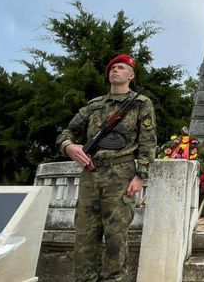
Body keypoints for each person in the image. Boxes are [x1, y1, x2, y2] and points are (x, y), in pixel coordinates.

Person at [56, 55, 157, 281]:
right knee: (84, 236)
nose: (115, 70)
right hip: (91, 174)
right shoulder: (94, 106)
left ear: (131, 75)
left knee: (115, 237)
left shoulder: (141, 103)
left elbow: (148, 141)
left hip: (120, 174)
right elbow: (67, 132)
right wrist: (69, 147)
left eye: (121, 67)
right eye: (112, 67)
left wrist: (141, 175)